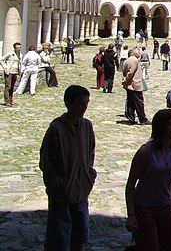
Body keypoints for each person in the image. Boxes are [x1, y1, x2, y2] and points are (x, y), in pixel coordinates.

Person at [39, 85, 96, 251]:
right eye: (80, 103)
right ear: (68, 103)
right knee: (59, 238)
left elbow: (90, 153)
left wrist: (88, 176)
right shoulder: (56, 129)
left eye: (86, 103)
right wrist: (58, 184)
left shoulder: (86, 126)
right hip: (62, 193)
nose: (84, 107)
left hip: (81, 190)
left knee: (79, 237)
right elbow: (46, 161)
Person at [125, 108, 171, 251]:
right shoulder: (145, 152)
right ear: (161, 126)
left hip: (167, 206)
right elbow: (131, 184)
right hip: (145, 208)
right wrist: (131, 214)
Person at [122, 48, 149, 125]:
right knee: (139, 102)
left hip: (129, 85)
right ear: (134, 53)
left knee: (131, 102)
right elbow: (131, 72)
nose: (139, 53)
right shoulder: (134, 60)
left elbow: (124, 71)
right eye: (138, 52)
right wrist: (126, 79)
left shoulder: (127, 60)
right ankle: (143, 119)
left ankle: (131, 118)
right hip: (134, 84)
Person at [1, 42, 21, 106]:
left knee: (12, 86)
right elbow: (1, 59)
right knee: (8, 86)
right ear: (14, 48)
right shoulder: (10, 54)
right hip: (9, 72)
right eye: (18, 48)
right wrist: (5, 67)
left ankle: (11, 99)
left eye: (20, 47)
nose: (19, 49)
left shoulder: (20, 55)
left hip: (15, 72)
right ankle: (7, 101)